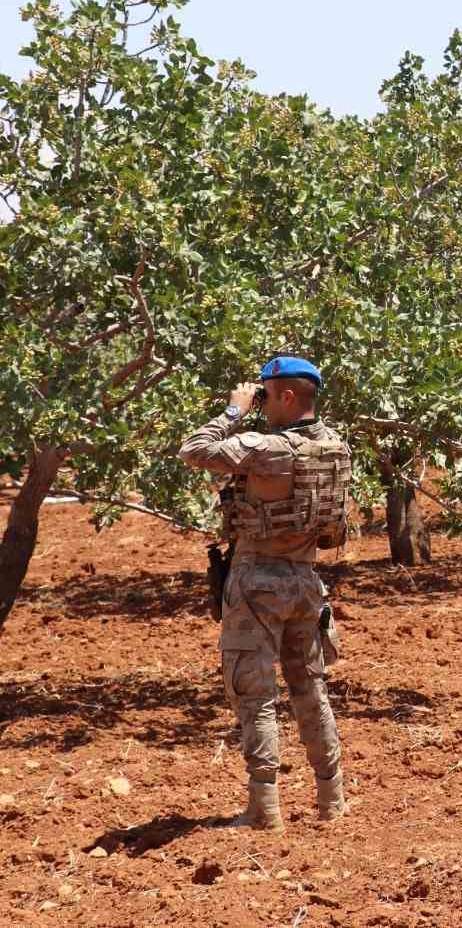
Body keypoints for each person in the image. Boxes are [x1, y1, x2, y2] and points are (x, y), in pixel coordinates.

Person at [179, 355, 352, 830]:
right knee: (310, 690)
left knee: (254, 696)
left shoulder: (270, 448)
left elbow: (194, 450)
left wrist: (233, 412)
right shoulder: (336, 448)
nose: (261, 404)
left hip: (257, 582)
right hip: (306, 582)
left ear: (288, 396)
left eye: (266, 395)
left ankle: (264, 807)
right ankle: (330, 799)